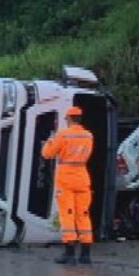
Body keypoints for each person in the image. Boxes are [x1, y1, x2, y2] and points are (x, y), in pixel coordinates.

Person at [41, 106, 96, 264]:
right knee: (83, 214)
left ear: (69, 119)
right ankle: (85, 254)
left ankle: (69, 253)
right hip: (82, 177)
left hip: (66, 178)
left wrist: (49, 141)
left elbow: (47, 153)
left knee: (67, 214)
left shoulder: (63, 135)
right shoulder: (88, 136)